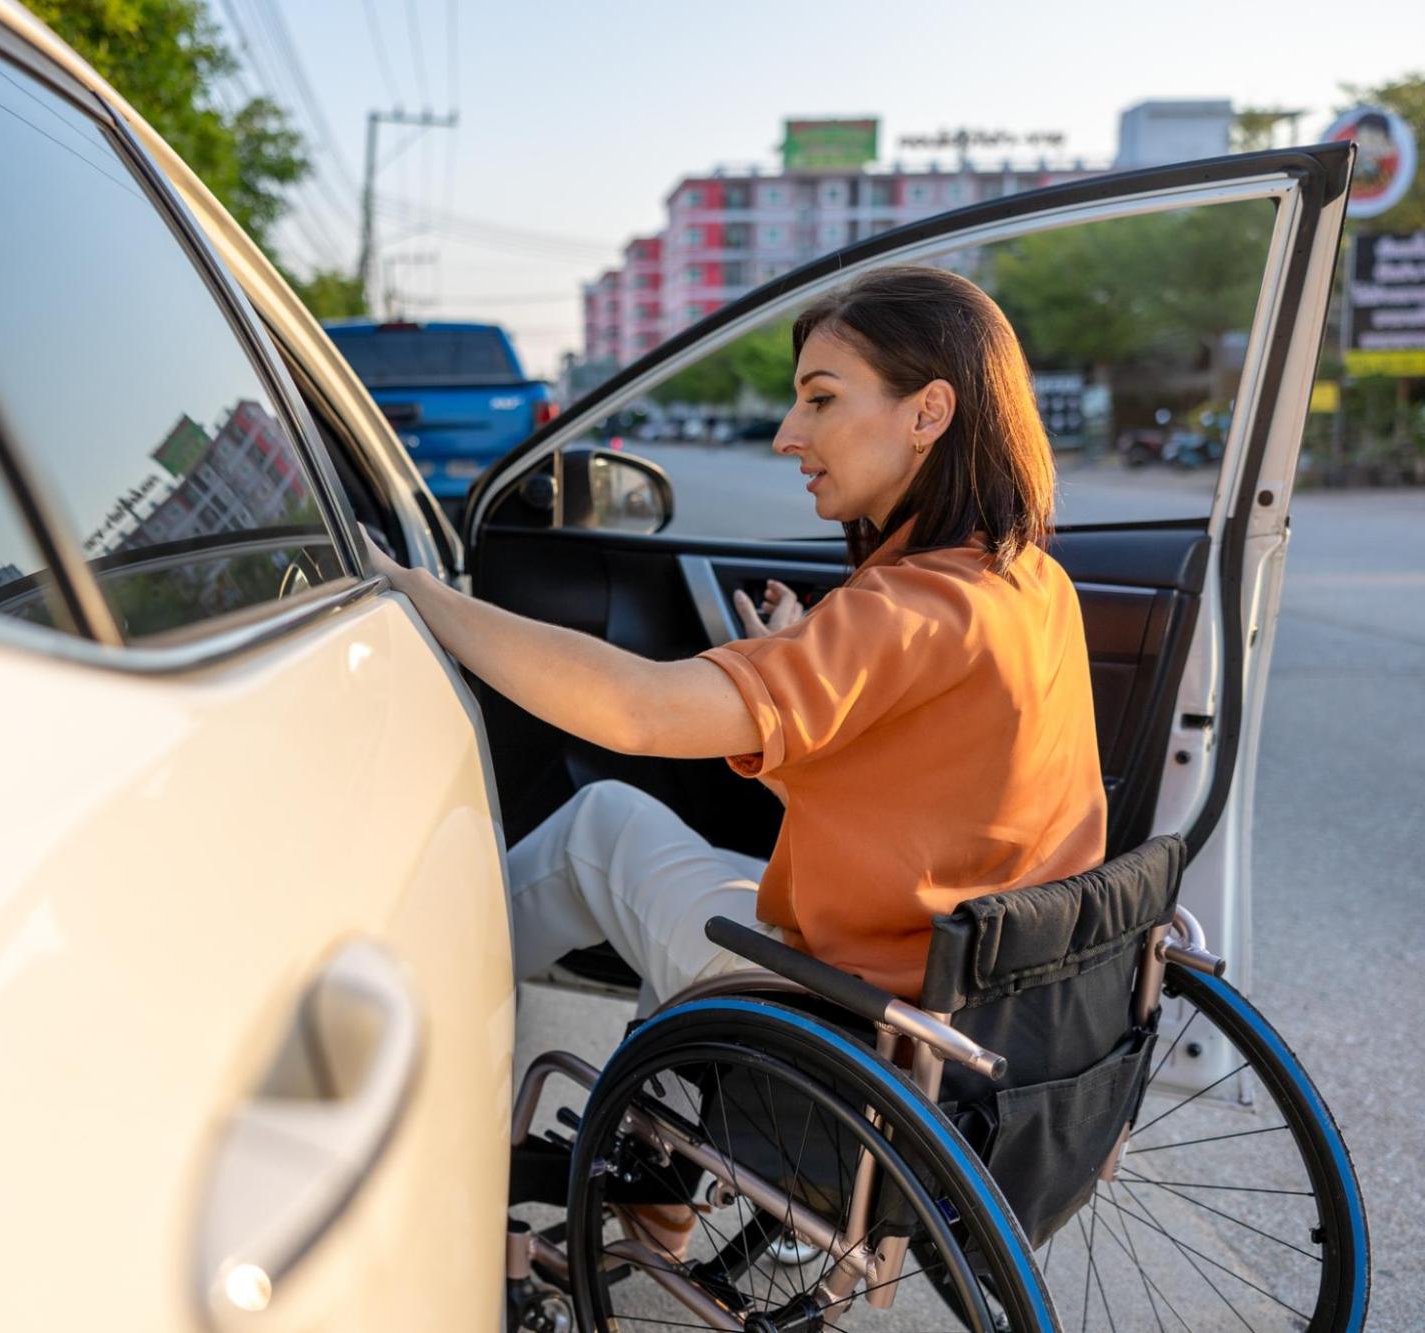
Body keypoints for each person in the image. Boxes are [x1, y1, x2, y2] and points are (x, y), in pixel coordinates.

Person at [365, 265, 1106, 1019]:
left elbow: (638, 710)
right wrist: (797, 670)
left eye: (821, 399)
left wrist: (417, 590)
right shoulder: (1033, 582)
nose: (787, 435)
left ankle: (393, 1019)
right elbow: (904, 797)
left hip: (850, 1006)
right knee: (633, 845)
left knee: (597, 828)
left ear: (928, 413)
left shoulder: (905, 609)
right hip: (962, 1006)